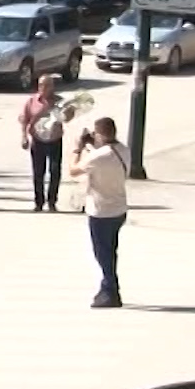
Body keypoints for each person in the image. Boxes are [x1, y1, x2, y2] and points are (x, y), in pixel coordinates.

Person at [68, 117, 130, 308]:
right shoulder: (123, 150)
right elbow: (105, 156)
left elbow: (73, 170)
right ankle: (109, 287)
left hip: (101, 211)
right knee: (111, 251)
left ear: (100, 134)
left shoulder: (98, 157)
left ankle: (110, 289)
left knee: (102, 253)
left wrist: (77, 149)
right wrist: (92, 146)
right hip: (119, 208)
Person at [19, 74, 71, 212]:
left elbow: (67, 118)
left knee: (55, 171)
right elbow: (24, 119)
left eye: (47, 85)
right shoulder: (31, 101)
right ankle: (39, 202)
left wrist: (69, 111)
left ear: (52, 87)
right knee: (38, 172)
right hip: (38, 140)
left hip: (54, 140)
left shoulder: (60, 102)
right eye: (41, 85)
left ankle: (52, 201)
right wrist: (24, 136)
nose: (44, 88)